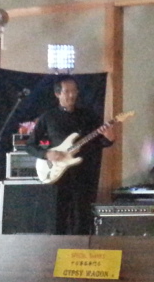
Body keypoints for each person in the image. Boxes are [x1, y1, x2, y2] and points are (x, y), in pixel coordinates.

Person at [26, 76, 115, 235]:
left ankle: (80, 247)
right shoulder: (48, 117)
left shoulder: (88, 116)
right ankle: (56, 248)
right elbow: (30, 146)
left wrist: (109, 139)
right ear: (57, 94)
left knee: (82, 217)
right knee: (58, 217)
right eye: (67, 91)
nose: (72, 95)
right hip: (58, 175)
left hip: (83, 173)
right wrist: (47, 153)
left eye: (74, 91)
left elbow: (98, 143)